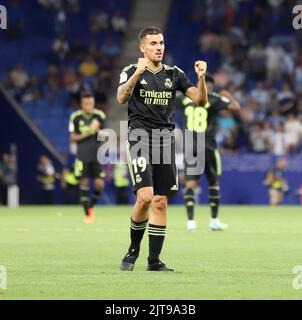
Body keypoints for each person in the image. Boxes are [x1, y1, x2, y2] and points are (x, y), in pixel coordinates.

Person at [116, 26, 208, 272]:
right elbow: (121, 98)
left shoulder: (174, 74)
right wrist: (137, 73)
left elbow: (200, 100)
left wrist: (201, 78)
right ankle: (132, 250)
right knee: (145, 197)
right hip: (139, 137)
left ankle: (154, 261)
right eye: (154, 43)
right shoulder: (129, 71)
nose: (159, 47)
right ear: (142, 47)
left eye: (161, 43)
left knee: (160, 202)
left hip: (165, 140)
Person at [177, 74, 241, 231]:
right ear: (210, 86)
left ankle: (191, 221)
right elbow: (236, 108)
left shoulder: (185, 99)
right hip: (208, 145)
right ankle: (214, 220)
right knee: (213, 182)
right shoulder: (213, 98)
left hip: (191, 145)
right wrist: (228, 95)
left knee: (190, 183)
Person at [69, 91, 106, 223]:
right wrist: (88, 132)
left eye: (91, 103)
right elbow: (73, 138)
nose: (89, 106)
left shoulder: (99, 115)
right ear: (81, 104)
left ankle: (90, 206)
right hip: (82, 155)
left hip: (97, 155)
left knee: (99, 184)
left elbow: (106, 136)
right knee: (83, 183)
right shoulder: (75, 117)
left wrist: (97, 131)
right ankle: (87, 213)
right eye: (86, 103)